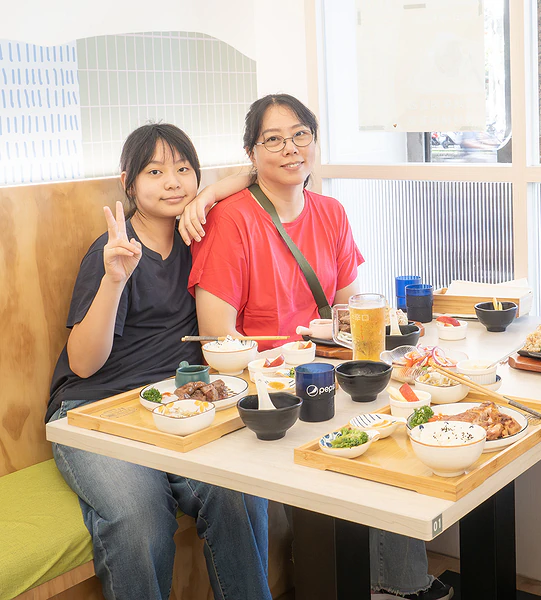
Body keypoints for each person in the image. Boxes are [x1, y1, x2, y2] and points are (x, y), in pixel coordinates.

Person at [182, 94, 453, 600]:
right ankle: (374, 582)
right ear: (252, 152)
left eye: (300, 135)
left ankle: (393, 582)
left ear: (315, 140)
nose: (290, 149)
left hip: (325, 373)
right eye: (274, 140)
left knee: (398, 421)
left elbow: (350, 315)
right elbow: (216, 342)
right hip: (266, 390)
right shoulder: (231, 221)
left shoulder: (330, 212)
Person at [47, 124, 271, 600]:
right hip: (94, 412)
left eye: (183, 169)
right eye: (155, 171)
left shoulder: (199, 240)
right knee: (139, 513)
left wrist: (209, 193)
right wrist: (113, 280)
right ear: (128, 182)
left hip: (175, 406)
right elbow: (83, 364)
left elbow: (256, 172)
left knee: (239, 491)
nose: (172, 182)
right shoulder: (114, 251)